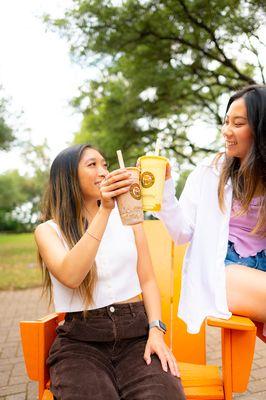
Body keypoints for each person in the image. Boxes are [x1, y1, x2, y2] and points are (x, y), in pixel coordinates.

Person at [35, 144, 186, 400]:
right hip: (81, 343)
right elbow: (72, 277)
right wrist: (105, 209)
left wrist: (156, 331)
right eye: (92, 164)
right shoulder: (49, 231)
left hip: (137, 336)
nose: (104, 171)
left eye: (105, 164)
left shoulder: (129, 216)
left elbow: (147, 280)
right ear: (68, 176)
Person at [154, 85, 266, 339]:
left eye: (238, 124)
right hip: (225, 269)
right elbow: (182, 233)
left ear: (260, 130)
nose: (226, 131)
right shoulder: (210, 172)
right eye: (226, 122)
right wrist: (165, 191)